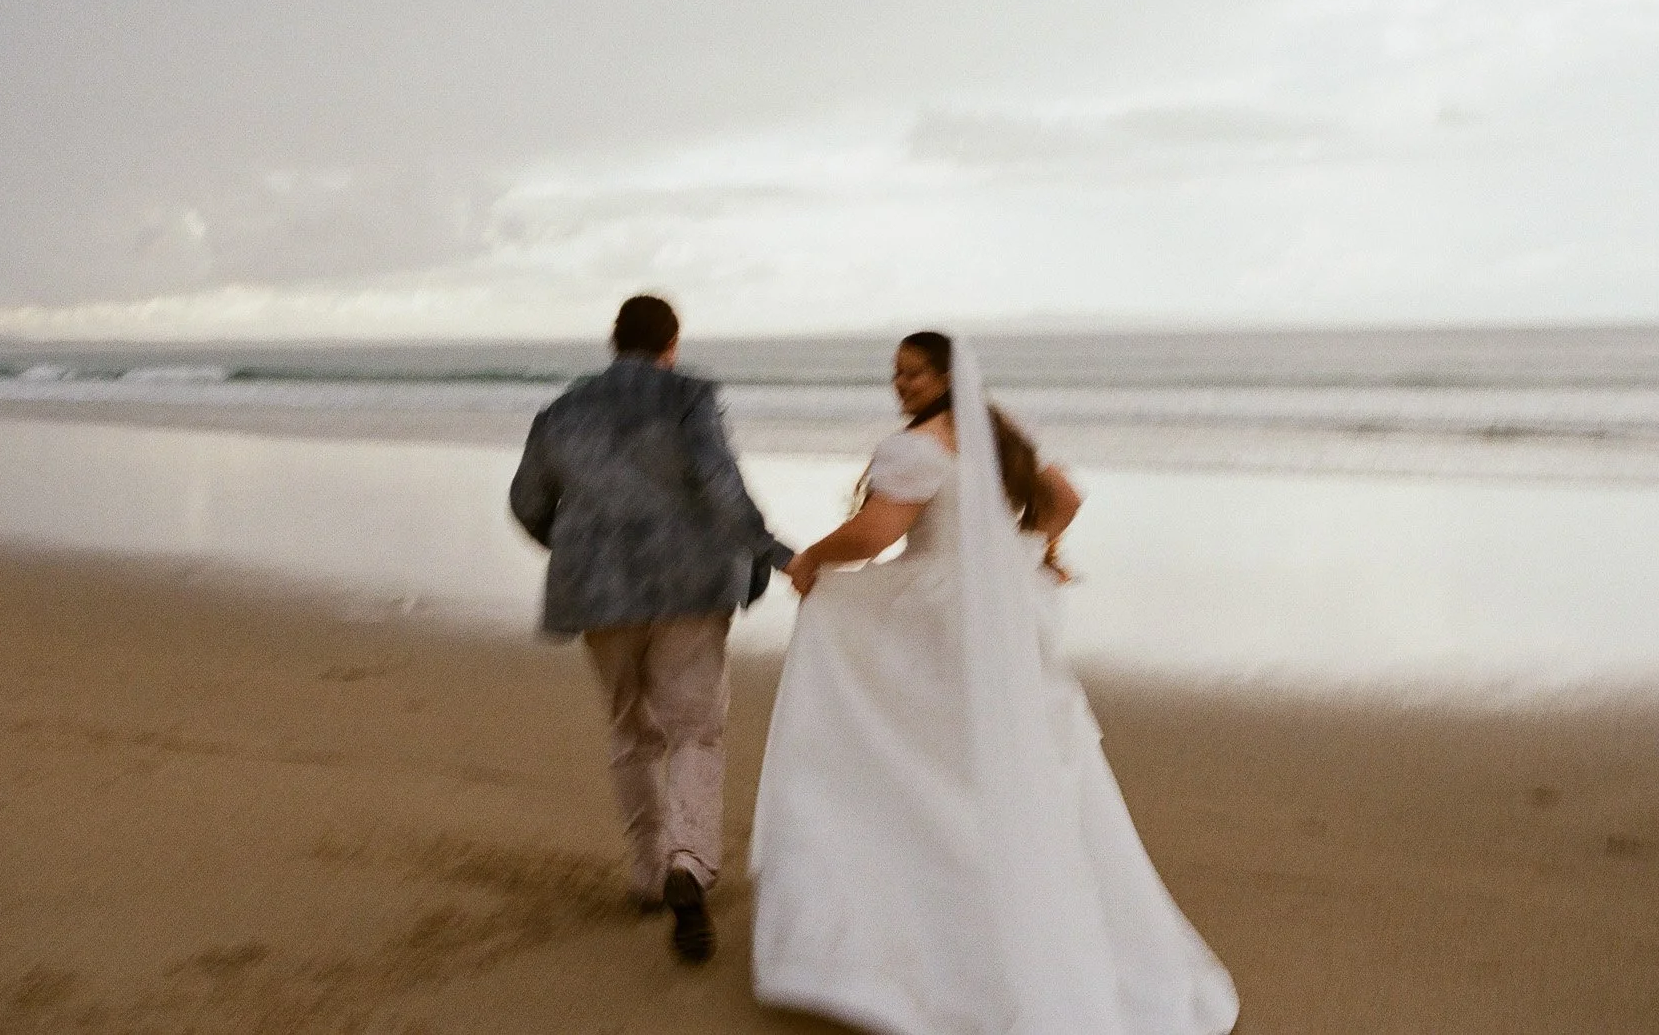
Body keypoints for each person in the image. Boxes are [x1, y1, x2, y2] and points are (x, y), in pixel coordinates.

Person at [751, 331, 1239, 1034]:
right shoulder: (995, 438)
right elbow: (1062, 498)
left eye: (915, 374)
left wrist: (810, 563)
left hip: (936, 619)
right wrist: (1031, 552)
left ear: (948, 375)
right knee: (997, 766)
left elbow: (876, 534)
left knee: (921, 764)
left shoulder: (914, 449)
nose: (902, 386)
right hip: (999, 616)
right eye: (895, 375)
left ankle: (927, 939)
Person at [509, 294, 791, 965]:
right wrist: (771, 552)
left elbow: (526, 503)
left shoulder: (562, 411)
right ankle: (689, 865)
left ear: (614, 342)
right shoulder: (690, 397)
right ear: (673, 343)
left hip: (598, 593)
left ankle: (645, 874)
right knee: (695, 727)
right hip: (691, 587)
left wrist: (582, 547)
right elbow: (721, 485)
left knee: (631, 730)